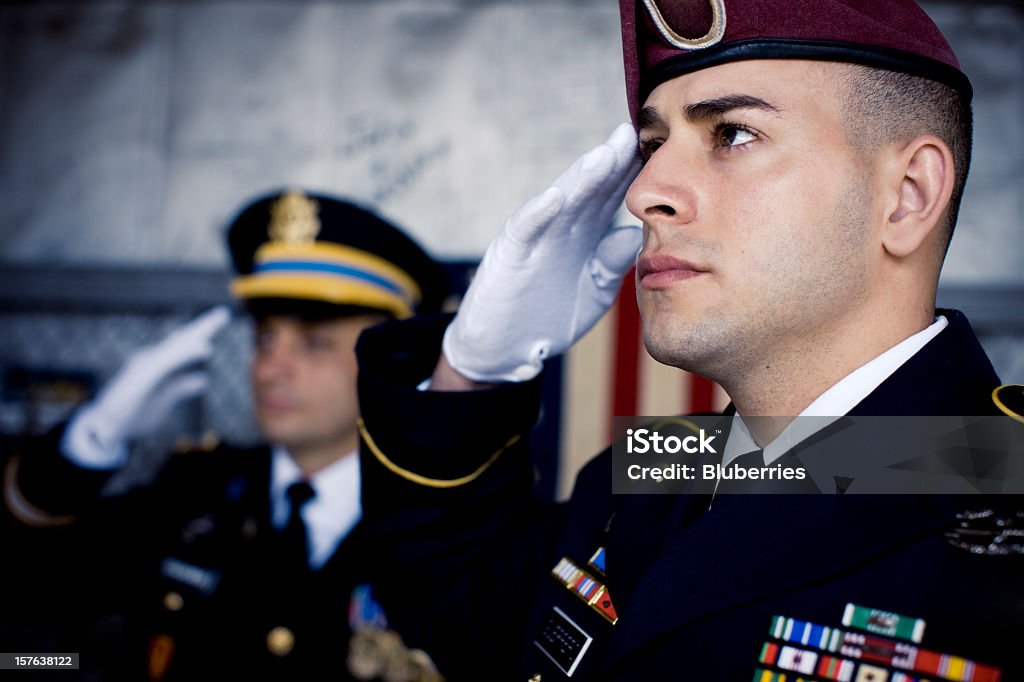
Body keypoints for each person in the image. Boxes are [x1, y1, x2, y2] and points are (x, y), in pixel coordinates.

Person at [352, 1, 1024, 680]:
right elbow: (447, 599)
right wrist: (474, 369)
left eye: (733, 134)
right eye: (652, 147)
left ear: (907, 196)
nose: (645, 192)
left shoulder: (1003, 485)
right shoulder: (671, 465)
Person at [3, 189, 448, 681]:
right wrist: (89, 443)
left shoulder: (441, 527)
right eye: (264, 337)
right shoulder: (195, 490)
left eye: (316, 342)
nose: (271, 369)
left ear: (396, 361)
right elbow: (28, 587)